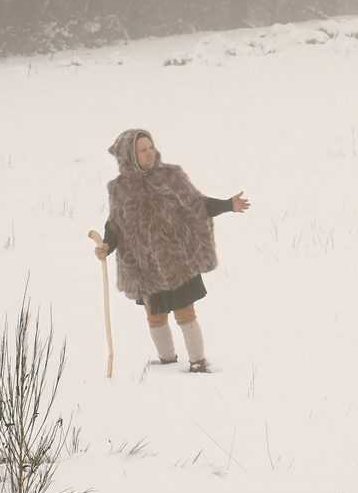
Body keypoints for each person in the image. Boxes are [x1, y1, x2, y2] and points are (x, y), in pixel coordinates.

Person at [92, 129, 249, 373]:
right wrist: (106, 246)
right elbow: (114, 225)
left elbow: (198, 204)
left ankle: (198, 362)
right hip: (144, 267)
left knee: (185, 313)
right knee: (155, 317)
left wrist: (229, 205)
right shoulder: (120, 189)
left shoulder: (170, 177)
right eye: (142, 150)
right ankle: (167, 362)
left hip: (176, 261)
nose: (149, 153)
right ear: (129, 155)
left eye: (150, 147)